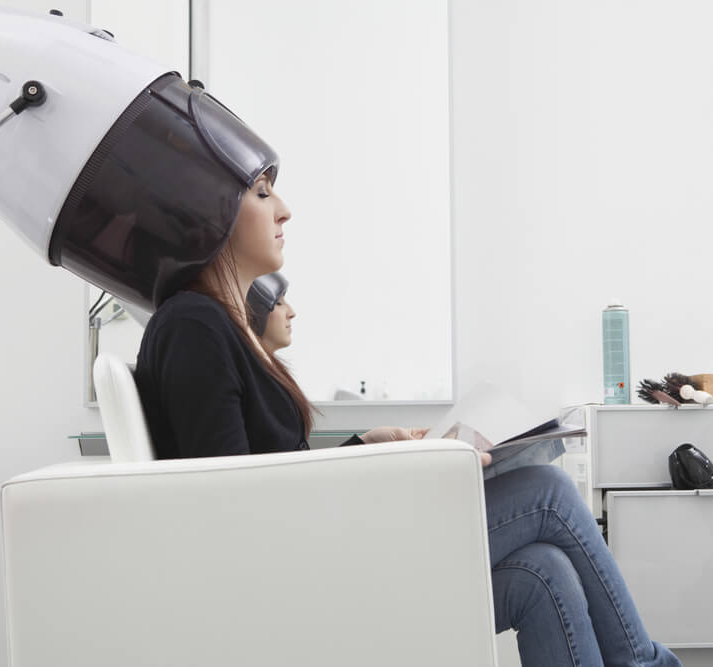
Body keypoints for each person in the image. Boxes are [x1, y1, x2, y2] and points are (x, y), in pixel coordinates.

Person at [134, 164, 679, 667]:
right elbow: (233, 503)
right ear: (212, 213)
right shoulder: (195, 327)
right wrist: (404, 472)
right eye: (262, 192)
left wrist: (369, 449)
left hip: (314, 549)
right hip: (303, 572)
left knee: (543, 573)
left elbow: (271, 475)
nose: (284, 209)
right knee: (550, 493)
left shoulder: (213, 326)